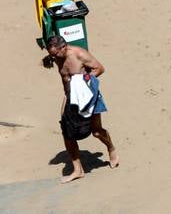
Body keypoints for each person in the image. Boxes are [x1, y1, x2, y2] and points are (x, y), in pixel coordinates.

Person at [44, 34, 118, 183]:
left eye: (55, 54)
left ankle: (111, 148)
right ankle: (78, 170)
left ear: (64, 47)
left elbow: (99, 68)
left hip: (87, 95)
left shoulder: (79, 54)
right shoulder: (57, 56)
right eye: (51, 55)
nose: (54, 57)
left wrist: (83, 80)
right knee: (66, 132)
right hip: (70, 96)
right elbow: (64, 76)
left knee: (96, 132)